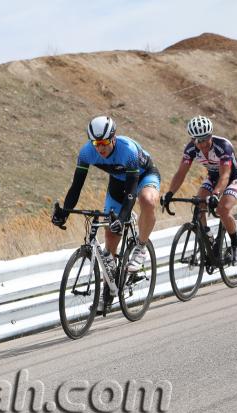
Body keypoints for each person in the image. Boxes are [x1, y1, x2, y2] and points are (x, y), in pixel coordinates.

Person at [52, 116, 160, 312]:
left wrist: (123, 216)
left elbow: (131, 192)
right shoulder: (86, 153)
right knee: (109, 243)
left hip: (143, 177)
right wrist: (65, 213)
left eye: (103, 143)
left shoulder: (127, 150)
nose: (99, 148)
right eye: (95, 143)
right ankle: (108, 292)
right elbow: (76, 187)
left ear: (113, 138)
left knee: (146, 199)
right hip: (118, 183)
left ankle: (141, 247)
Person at [161, 115, 237, 264]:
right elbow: (181, 173)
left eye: (206, 138)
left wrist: (216, 194)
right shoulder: (191, 149)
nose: (203, 143)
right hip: (213, 177)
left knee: (223, 210)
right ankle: (208, 239)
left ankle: (236, 244)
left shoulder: (223, 146)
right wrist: (169, 193)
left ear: (211, 135)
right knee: (198, 203)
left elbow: (225, 175)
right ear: (193, 140)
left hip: (233, 177)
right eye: (199, 140)